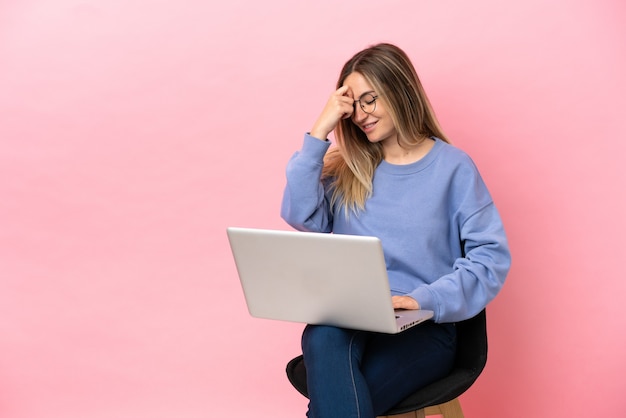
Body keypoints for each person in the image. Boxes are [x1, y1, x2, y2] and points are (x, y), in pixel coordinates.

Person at [280, 43, 511, 418]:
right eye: (352, 105)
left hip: (422, 326)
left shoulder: (453, 168)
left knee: (343, 401)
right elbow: (301, 216)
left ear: (400, 89)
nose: (360, 115)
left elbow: (490, 259)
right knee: (321, 334)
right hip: (352, 318)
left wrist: (421, 299)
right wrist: (319, 131)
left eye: (369, 100)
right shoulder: (349, 167)